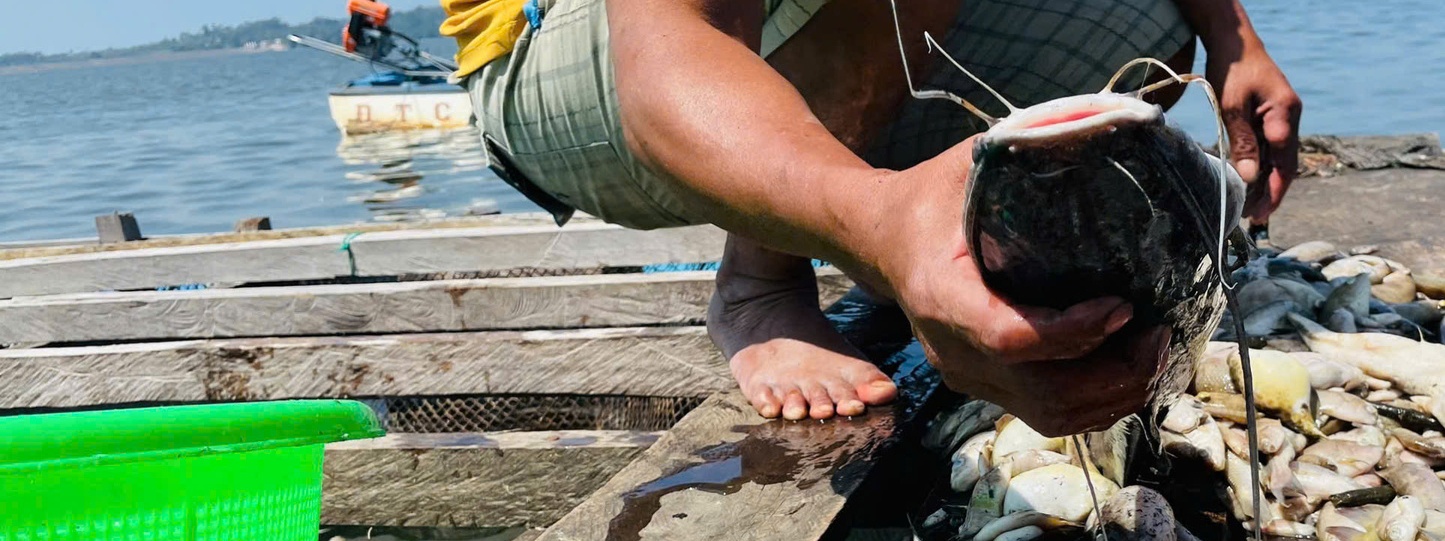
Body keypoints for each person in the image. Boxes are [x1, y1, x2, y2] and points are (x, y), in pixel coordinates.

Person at [440, 0, 1299, 435]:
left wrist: (1232, 38)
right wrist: (877, 219)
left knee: (1146, 10)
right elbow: (668, 46)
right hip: (570, 61)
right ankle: (761, 278)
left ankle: (976, 258)